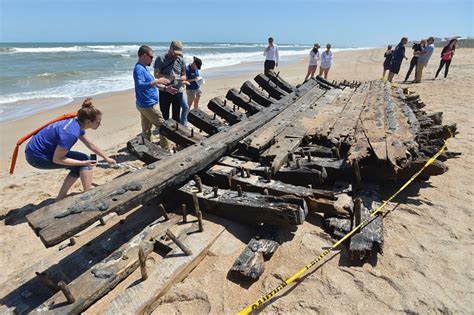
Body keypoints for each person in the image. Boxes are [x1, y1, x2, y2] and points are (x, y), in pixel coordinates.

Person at [25, 98, 116, 200]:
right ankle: (89, 194)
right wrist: (83, 163)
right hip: (37, 157)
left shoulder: (76, 123)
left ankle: (61, 197)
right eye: (98, 122)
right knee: (83, 160)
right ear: (88, 121)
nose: (100, 124)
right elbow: (57, 159)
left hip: (40, 150)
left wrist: (106, 158)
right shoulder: (70, 133)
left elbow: (90, 144)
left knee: (81, 161)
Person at [133, 45, 174, 149]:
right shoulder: (138, 69)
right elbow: (140, 85)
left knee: (146, 129)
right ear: (144, 55)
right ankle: (166, 149)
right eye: (151, 57)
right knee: (163, 126)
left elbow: (153, 84)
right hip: (148, 104)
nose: (152, 59)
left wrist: (165, 89)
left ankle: (148, 148)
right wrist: (157, 80)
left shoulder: (144, 68)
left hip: (145, 104)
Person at [154, 41, 187, 123]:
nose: (177, 55)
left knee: (176, 117)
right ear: (170, 49)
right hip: (164, 91)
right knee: (164, 116)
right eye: (175, 53)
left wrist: (179, 78)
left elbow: (184, 76)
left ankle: (175, 134)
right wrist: (169, 77)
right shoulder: (160, 59)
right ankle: (165, 134)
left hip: (177, 91)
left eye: (179, 53)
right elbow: (156, 74)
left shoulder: (181, 60)